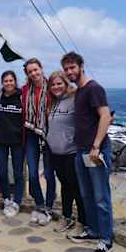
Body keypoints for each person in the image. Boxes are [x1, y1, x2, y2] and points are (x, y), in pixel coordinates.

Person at [62, 52, 114, 252]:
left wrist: (96, 146)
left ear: (81, 66)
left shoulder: (94, 88)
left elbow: (105, 116)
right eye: (66, 69)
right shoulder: (80, 91)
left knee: (101, 197)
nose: (69, 72)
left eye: (72, 67)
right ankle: (93, 230)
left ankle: (107, 239)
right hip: (80, 150)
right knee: (87, 195)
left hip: (94, 151)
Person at [45, 71, 85, 233]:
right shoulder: (53, 103)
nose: (56, 87)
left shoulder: (75, 100)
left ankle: (83, 222)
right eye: (53, 84)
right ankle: (66, 217)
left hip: (71, 152)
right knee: (65, 187)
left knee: (76, 188)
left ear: (66, 83)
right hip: (56, 153)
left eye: (59, 83)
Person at [22, 58, 56, 226]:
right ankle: (40, 204)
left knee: (49, 174)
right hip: (30, 134)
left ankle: (49, 206)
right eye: (30, 71)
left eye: (36, 69)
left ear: (41, 68)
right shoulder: (25, 90)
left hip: (50, 135)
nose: (33, 73)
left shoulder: (53, 87)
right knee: (33, 174)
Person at [0, 71, 24, 217]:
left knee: (18, 173)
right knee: (2, 171)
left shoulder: (21, 97)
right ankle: (6, 198)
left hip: (18, 141)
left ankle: (17, 201)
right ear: (2, 82)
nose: (8, 83)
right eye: (6, 81)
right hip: (0, 141)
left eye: (11, 80)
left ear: (15, 81)